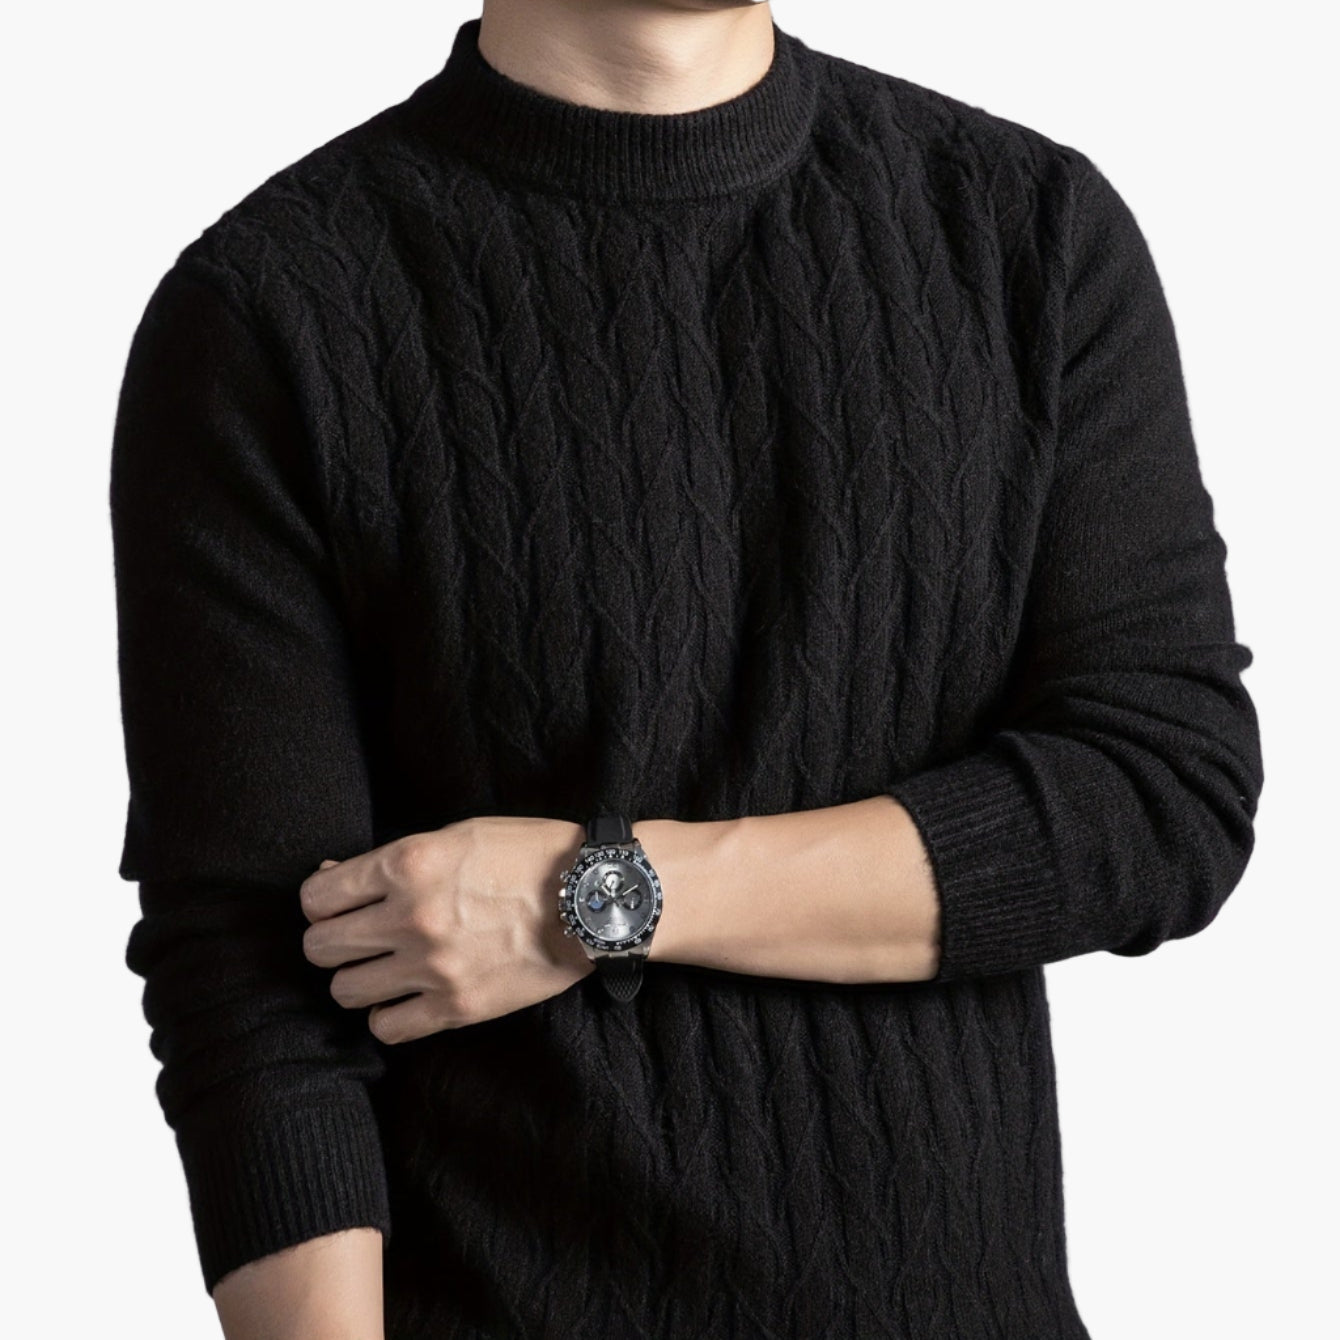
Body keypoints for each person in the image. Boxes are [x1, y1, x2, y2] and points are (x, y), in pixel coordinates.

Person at [108, 2, 1264, 1337]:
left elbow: (1160, 791)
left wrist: (596, 897)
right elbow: (255, 985)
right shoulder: (271, 309)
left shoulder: (1029, 232)